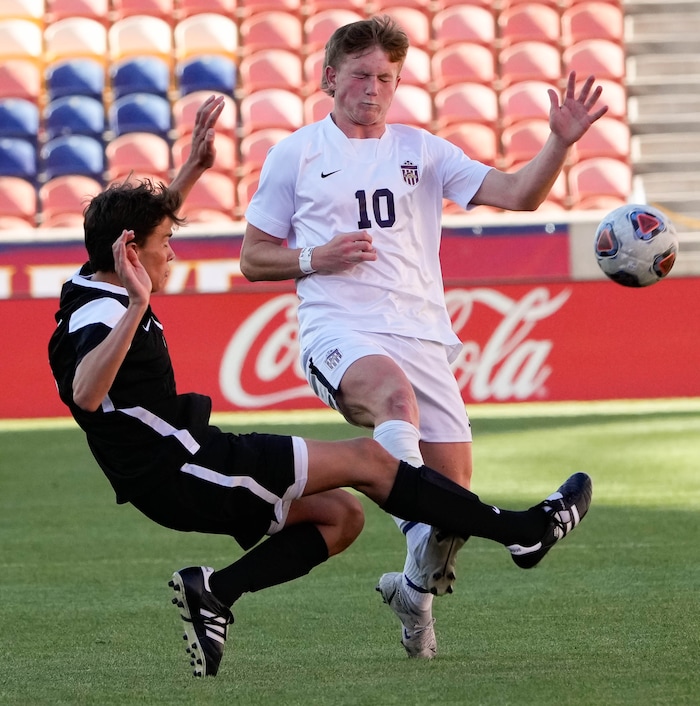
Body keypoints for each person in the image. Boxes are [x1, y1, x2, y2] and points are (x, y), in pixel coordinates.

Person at [47, 102, 592, 678]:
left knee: (341, 518)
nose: (172, 252)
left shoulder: (94, 277)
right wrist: (139, 304)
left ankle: (215, 593)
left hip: (188, 462)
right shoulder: (104, 313)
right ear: (130, 255)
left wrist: (192, 172)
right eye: (165, 242)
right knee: (372, 461)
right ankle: (522, 532)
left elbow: (142, 236)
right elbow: (85, 392)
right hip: (182, 470)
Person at [239, 15, 607, 659]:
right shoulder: (295, 153)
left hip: (424, 336)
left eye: (386, 77)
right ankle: (452, 526)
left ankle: (412, 594)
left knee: (450, 509)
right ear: (330, 78)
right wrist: (312, 259)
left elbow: (520, 194)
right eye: (360, 75)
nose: (373, 89)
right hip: (340, 328)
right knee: (392, 401)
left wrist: (559, 143)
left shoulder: (424, 150)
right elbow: (252, 256)